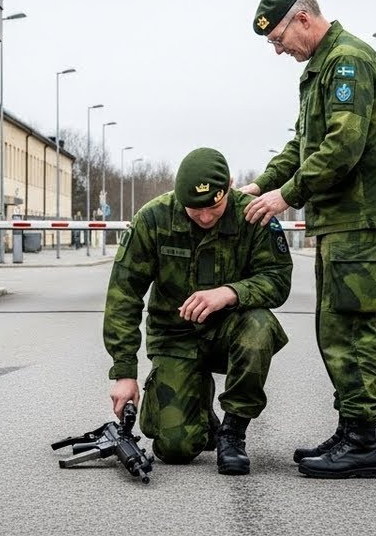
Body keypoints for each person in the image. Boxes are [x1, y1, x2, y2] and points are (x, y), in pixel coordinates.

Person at [242, 0, 376, 479]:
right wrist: (262, 185)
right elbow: (303, 144)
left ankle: (362, 444)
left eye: (278, 39)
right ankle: (350, 428)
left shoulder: (348, 62)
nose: (278, 50)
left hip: (361, 217)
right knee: (334, 327)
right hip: (341, 220)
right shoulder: (320, 70)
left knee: (350, 329)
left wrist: (287, 196)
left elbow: (341, 148)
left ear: (303, 20)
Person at [104, 147, 292, 476]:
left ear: (229, 187)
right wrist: (124, 372)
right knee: (174, 449)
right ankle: (200, 411)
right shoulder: (154, 218)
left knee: (261, 326)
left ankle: (232, 434)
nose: (205, 217)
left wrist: (230, 293)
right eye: (195, 209)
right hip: (175, 337)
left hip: (228, 331)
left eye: (214, 207)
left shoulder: (253, 215)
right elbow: (124, 295)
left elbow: (277, 281)